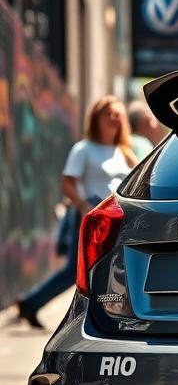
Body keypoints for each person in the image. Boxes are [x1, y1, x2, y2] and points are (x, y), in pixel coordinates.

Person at [14, 95, 138, 329]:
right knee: (77, 270)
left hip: (116, 220)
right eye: (108, 114)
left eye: (118, 114)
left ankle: (113, 318)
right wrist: (83, 206)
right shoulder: (84, 149)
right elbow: (67, 183)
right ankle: (31, 303)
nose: (114, 118)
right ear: (96, 119)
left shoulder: (125, 151)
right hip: (90, 216)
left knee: (113, 269)